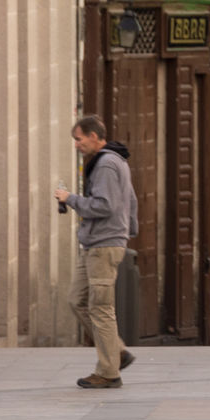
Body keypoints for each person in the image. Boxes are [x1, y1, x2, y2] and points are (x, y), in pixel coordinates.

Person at [54, 114, 139, 388]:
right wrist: (127, 230)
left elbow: (104, 205)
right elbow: (131, 200)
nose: (76, 144)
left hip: (104, 244)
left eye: (78, 139)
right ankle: (117, 351)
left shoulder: (106, 164)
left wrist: (70, 199)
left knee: (101, 308)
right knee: (76, 299)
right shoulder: (116, 161)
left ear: (93, 136)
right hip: (97, 243)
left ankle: (108, 372)